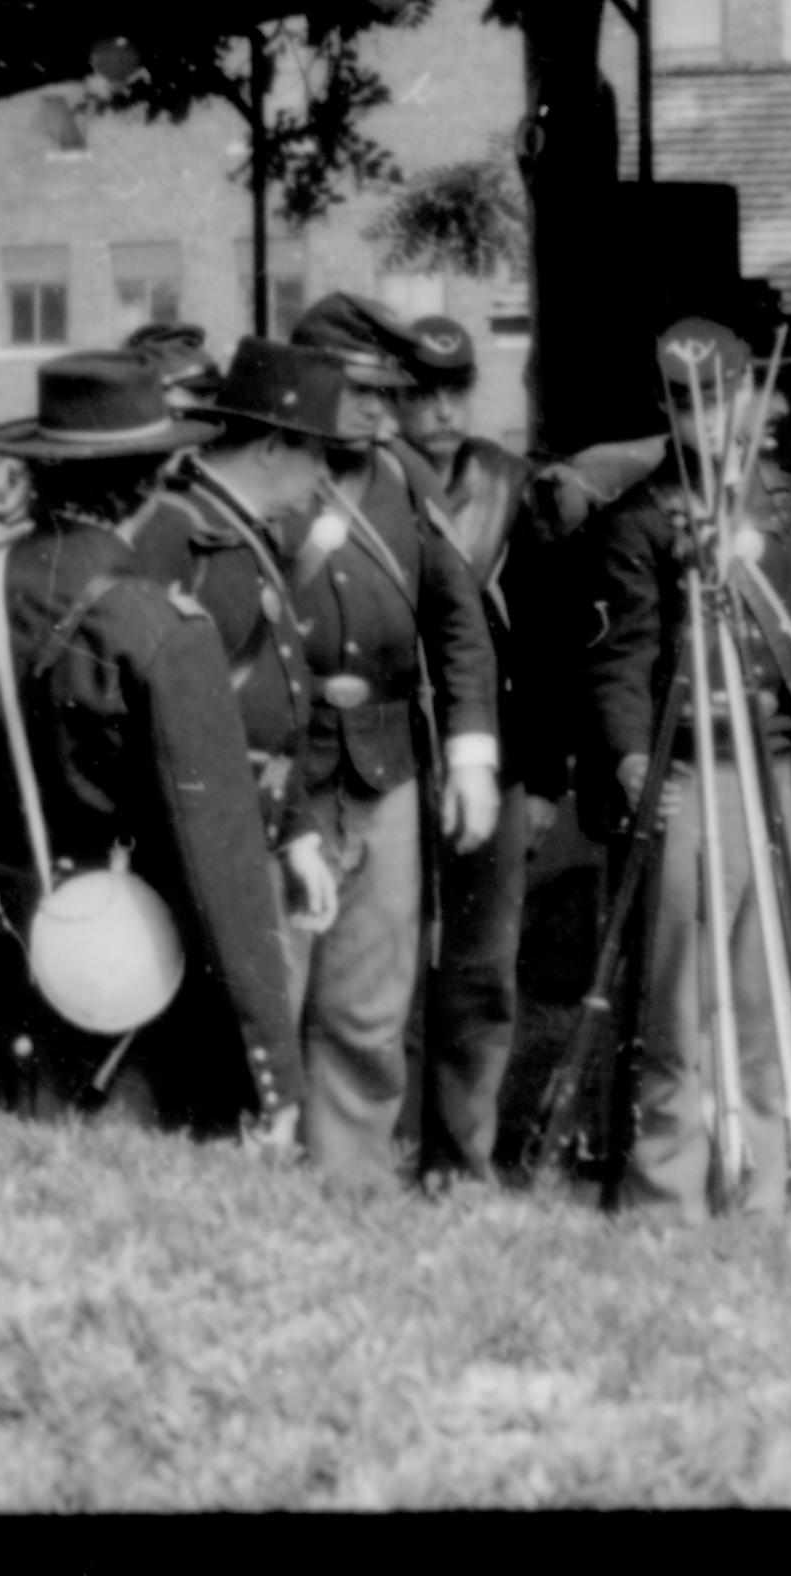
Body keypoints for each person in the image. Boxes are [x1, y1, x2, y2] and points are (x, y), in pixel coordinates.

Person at [0, 350, 331, 1138]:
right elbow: (222, 870)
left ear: (40, 472)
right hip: (123, 1003)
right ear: (153, 481)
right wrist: (269, 1074)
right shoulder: (160, 630)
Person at [586, 316, 791, 1222]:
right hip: (685, 779)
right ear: (663, 410)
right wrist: (638, 766)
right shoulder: (639, 522)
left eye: (720, 400)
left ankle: (764, 1185)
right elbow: (619, 665)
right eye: (685, 406)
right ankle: (665, 1194)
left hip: (774, 772)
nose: (707, 422)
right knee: (674, 998)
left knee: (769, 990)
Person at [276, 292, 502, 1187]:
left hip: (385, 763)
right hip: (285, 762)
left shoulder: (401, 475)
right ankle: (259, 1187)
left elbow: (458, 619)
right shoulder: (260, 466)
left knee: (371, 1003)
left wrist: (473, 755)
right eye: (362, 390)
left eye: (390, 391)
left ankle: (355, 1182)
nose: (381, 409)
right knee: (276, 987)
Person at [385, 312, 544, 1185]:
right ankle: (393, 1149)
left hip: (498, 755)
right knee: (394, 969)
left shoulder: (510, 484)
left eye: (456, 392)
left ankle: (465, 1159)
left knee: (482, 970)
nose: (442, 411)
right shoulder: (374, 482)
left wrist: (545, 771)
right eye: (420, 394)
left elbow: (547, 637)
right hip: (400, 755)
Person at [129, 335, 323, 854]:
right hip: (194, 843)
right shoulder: (176, 530)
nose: (324, 477)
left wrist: (297, 832)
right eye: (318, 455)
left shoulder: (239, 529)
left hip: (251, 826)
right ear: (271, 447)